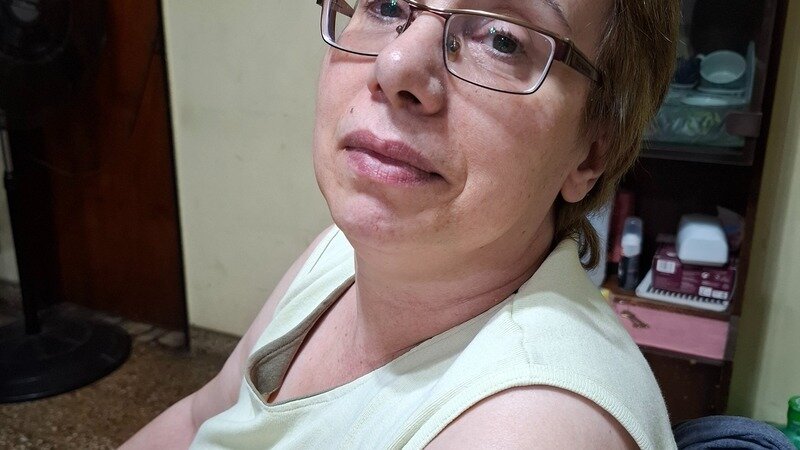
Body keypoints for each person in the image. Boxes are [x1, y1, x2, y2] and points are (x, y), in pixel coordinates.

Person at [124, 0, 679, 448]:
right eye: (386, 6)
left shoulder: (535, 425)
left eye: (502, 40)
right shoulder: (336, 256)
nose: (394, 65)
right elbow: (200, 419)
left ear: (592, 150)